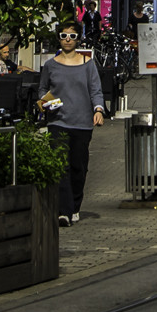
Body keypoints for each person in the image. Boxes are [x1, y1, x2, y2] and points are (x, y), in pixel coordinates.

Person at [36, 23, 106, 227]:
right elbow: (42, 89)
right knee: (61, 166)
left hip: (82, 124)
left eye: (72, 35)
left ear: (78, 39)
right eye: (64, 35)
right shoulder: (50, 65)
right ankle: (63, 212)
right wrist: (49, 103)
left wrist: (98, 110)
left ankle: (75, 206)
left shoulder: (88, 64)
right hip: (58, 122)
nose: (67, 39)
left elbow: (96, 90)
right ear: (59, 38)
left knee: (78, 167)